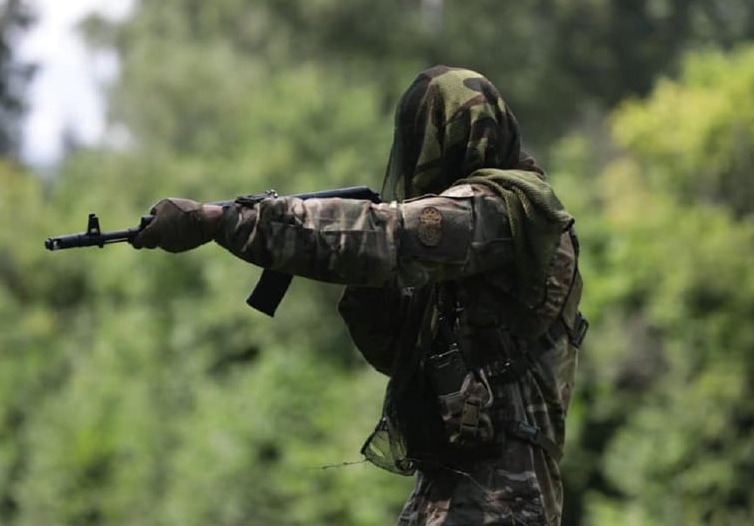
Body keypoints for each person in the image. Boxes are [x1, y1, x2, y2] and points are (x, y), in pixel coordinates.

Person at [133, 65, 587, 525]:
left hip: (500, 499)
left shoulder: (509, 212)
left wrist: (223, 220)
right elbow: (394, 350)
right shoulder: (473, 252)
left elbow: (387, 235)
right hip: (453, 491)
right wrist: (362, 278)